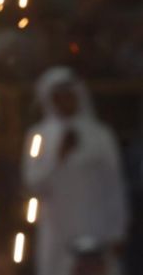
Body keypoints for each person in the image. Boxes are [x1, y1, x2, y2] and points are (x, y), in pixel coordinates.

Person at [21, 66, 128, 275]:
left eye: (68, 94)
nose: (65, 100)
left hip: (97, 228)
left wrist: (118, 230)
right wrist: (57, 159)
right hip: (57, 231)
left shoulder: (101, 135)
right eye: (58, 96)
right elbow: (32, 183)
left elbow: (114, 185)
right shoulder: (38, 137)